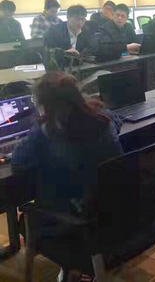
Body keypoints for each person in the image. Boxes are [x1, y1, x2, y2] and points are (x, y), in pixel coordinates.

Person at [12, 71, 122, 218]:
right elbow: (117, 121)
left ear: (44, 105)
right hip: (114, 205)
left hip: (76, 214)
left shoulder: (44, 133)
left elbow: (17, 162)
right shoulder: (103, 117)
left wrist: (37, 126)